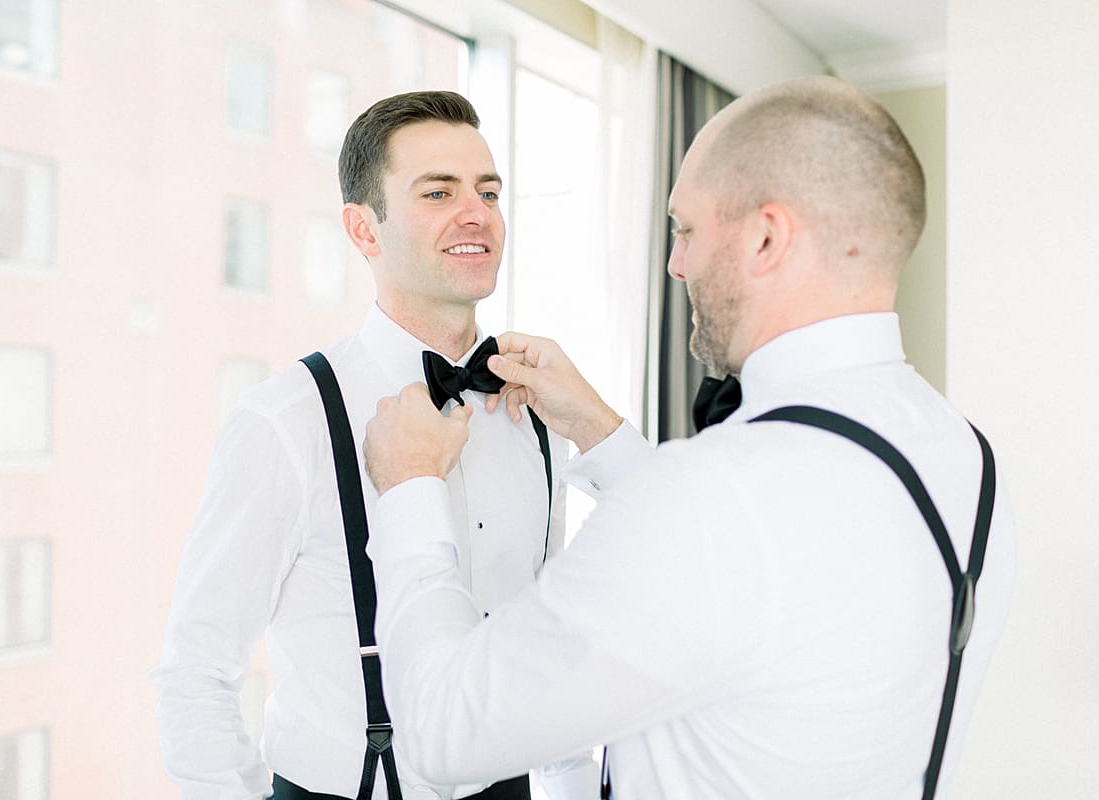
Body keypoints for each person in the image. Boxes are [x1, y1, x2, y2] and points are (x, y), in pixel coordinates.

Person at [360, 76, 1017, 798]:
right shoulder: (964, 455)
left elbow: (445, 729)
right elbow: (750, 577)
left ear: (765, 239)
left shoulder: (713, 497)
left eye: (686, 230)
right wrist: (598, 429)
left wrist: (411, 490)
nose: (676, 266)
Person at [152, 91, 597, 800]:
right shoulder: (287, 420)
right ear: (364, 230)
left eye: (487, 192)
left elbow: (549, 647)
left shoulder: (537, 411)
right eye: (438, 192)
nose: (476, 213)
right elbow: (196, 670)